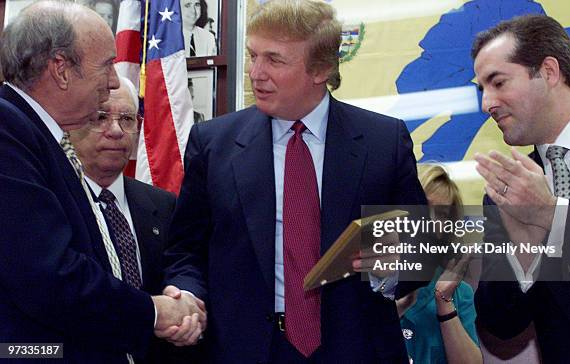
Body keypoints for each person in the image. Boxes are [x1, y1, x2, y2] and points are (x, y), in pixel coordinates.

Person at [162, 0, 429, 362]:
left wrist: (393, 265)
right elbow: (185, 250)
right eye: (253, 55)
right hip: (246, 350)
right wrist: (188, 295)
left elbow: (420, 254)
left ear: (320, 69)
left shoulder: (383, 142)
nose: (256, 73)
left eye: (274, 60)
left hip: (357, 349)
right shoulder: (213, 144)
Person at [0, 2, 203, 362]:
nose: (113, 81)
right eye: (106, 64)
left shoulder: (32, 133)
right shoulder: (9, 133)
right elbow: (49, 277)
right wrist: (154, 311)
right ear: (60, 69)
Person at [471, 14, 570, 362]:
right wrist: (525, 257)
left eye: (498, 82)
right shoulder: (507, 191)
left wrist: (552, 216)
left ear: (548, 72)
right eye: (482, 89)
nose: (487, 103)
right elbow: (500, 325)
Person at [70, 77, 184, 362]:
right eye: (100, 117)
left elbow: (179, 272)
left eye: (127, 119)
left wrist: (185, 306)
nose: (116, 131)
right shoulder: (55, 204)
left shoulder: (163, 204)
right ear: (71, 126)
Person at [396, 165, 482, 364]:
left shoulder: (459, 291)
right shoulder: (368, 282)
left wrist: (444, 302)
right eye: (425, 207)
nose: (432, 220)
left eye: (442, 215)